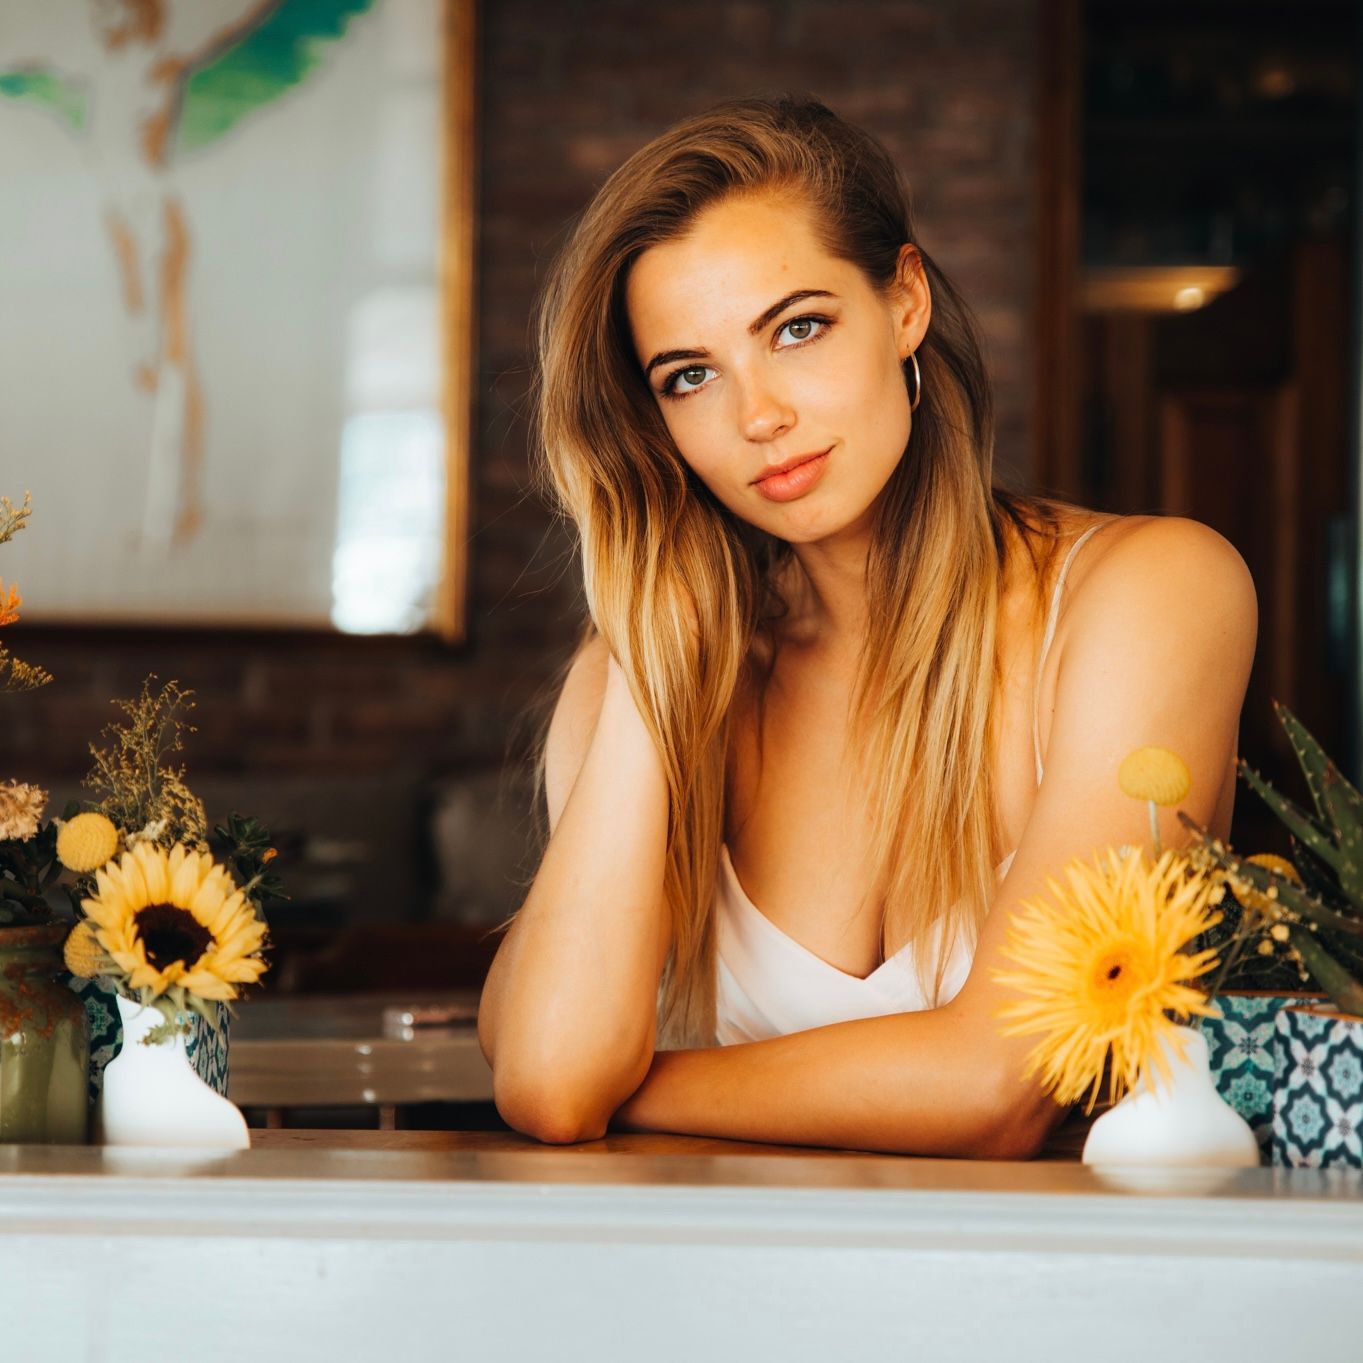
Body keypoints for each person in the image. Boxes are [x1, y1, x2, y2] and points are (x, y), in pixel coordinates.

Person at [476, 94, 1257, 1156]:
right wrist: (653, 652)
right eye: (689, 375)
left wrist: (636, 1089)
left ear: (904, 303)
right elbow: (554, 1080)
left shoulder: (1148, 593)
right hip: (711, 1308)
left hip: (1067, 1311)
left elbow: (1000, 1084)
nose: (758, 416)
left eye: (797, 328)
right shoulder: (647, 675)